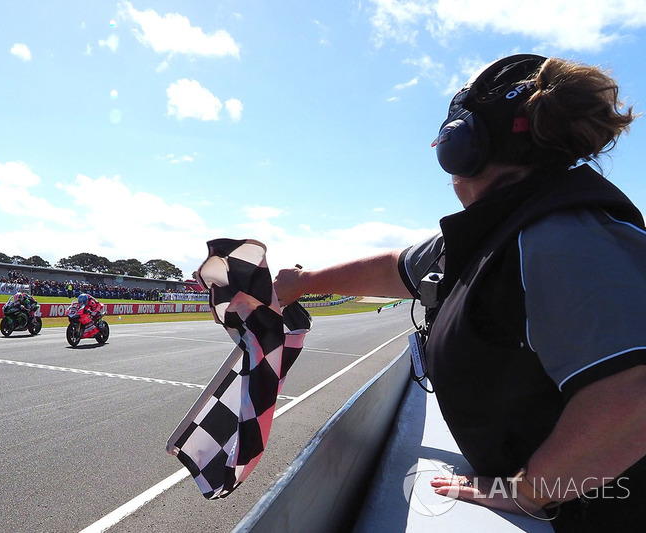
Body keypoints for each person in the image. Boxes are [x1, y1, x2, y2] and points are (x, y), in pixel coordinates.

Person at [273, 54, 645, 531]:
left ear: (463, 146)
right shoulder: (497, 230)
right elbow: (397, 267)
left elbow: (633, 397)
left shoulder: (564, 236)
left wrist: (530, 491)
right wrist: (304, 284)